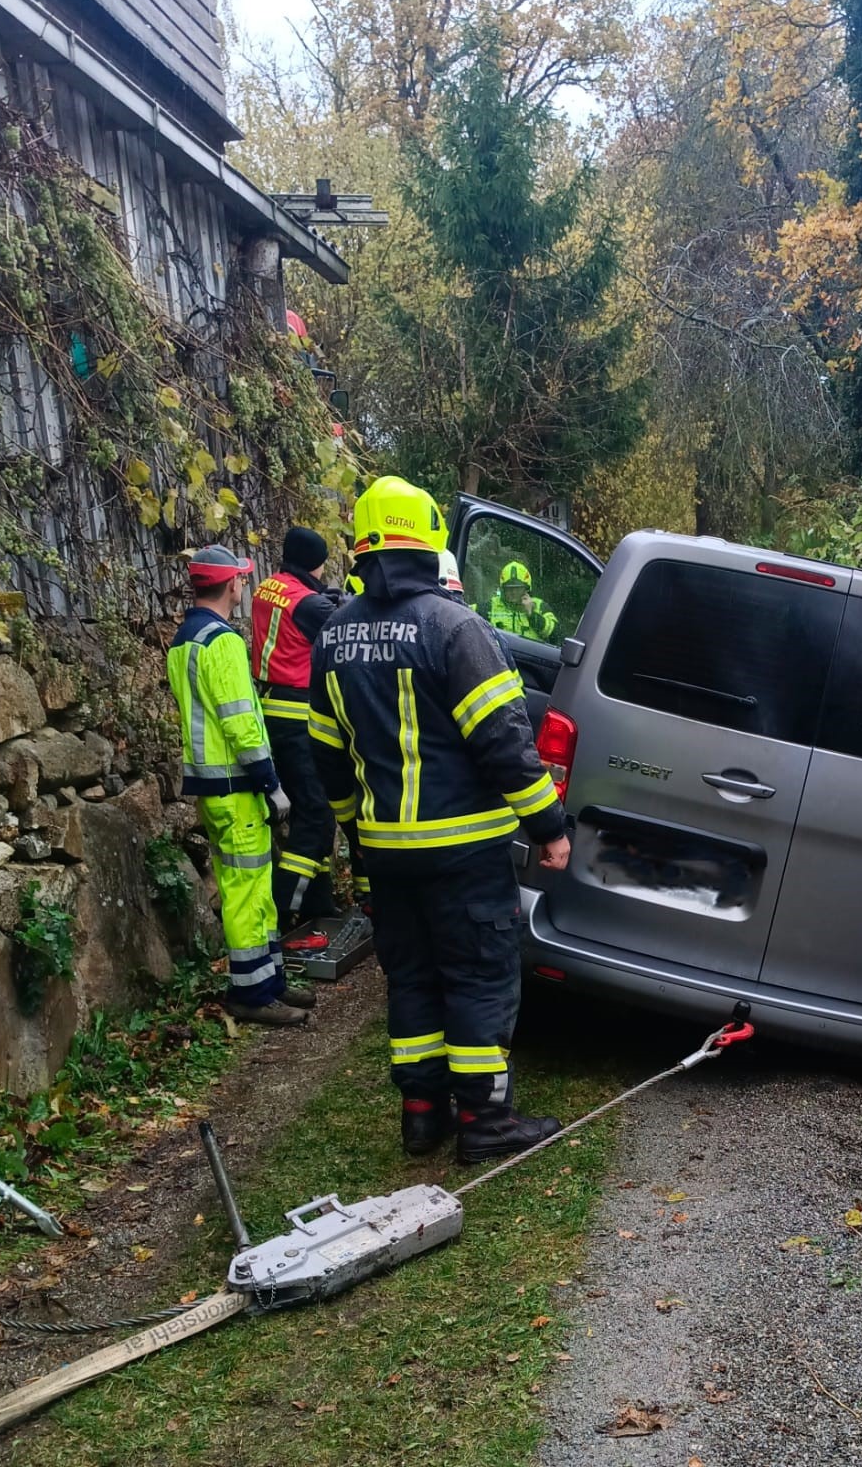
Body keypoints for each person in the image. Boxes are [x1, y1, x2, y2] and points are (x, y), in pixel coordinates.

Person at [308, 477, 573, 1162]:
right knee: (479, 976)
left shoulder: (333, 636)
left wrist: (356, 833)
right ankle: (485, 1121)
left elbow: (327, 756)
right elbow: (504, 741)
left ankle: (423, 1115)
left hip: (386, 854)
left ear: (363, 546)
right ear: (429, 542)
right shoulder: (456, 628)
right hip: (464, 854)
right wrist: (548, 826)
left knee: (414, 976)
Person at [168, 545, 313, 1026]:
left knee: (252, 885)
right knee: (247, 892)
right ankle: (252, 993)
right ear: (231, 584)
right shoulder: (223, 642)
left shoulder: (184, 640)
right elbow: (241, 724)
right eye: (242, 579)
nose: (244, 585)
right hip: (237, 786)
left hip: (214, 788)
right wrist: (271, 782)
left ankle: (269, 981)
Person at [250, 527, 347, 934]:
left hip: (273, 710)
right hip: (298, 715)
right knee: (317, 815)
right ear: (314, 563)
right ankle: (281, 909)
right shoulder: (309, 604)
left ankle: (318, 904)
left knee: (308, 811)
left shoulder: (268, 587)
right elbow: (345, 624)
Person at [487, 560, 558, 641]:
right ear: (503, 589)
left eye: (518, 588)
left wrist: (532, 615)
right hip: (500, 649)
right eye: (509, 588)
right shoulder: (490, 606)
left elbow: (557, 635)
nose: (513, 592)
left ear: (526, 589)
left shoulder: (539, 606)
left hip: (530, 649)